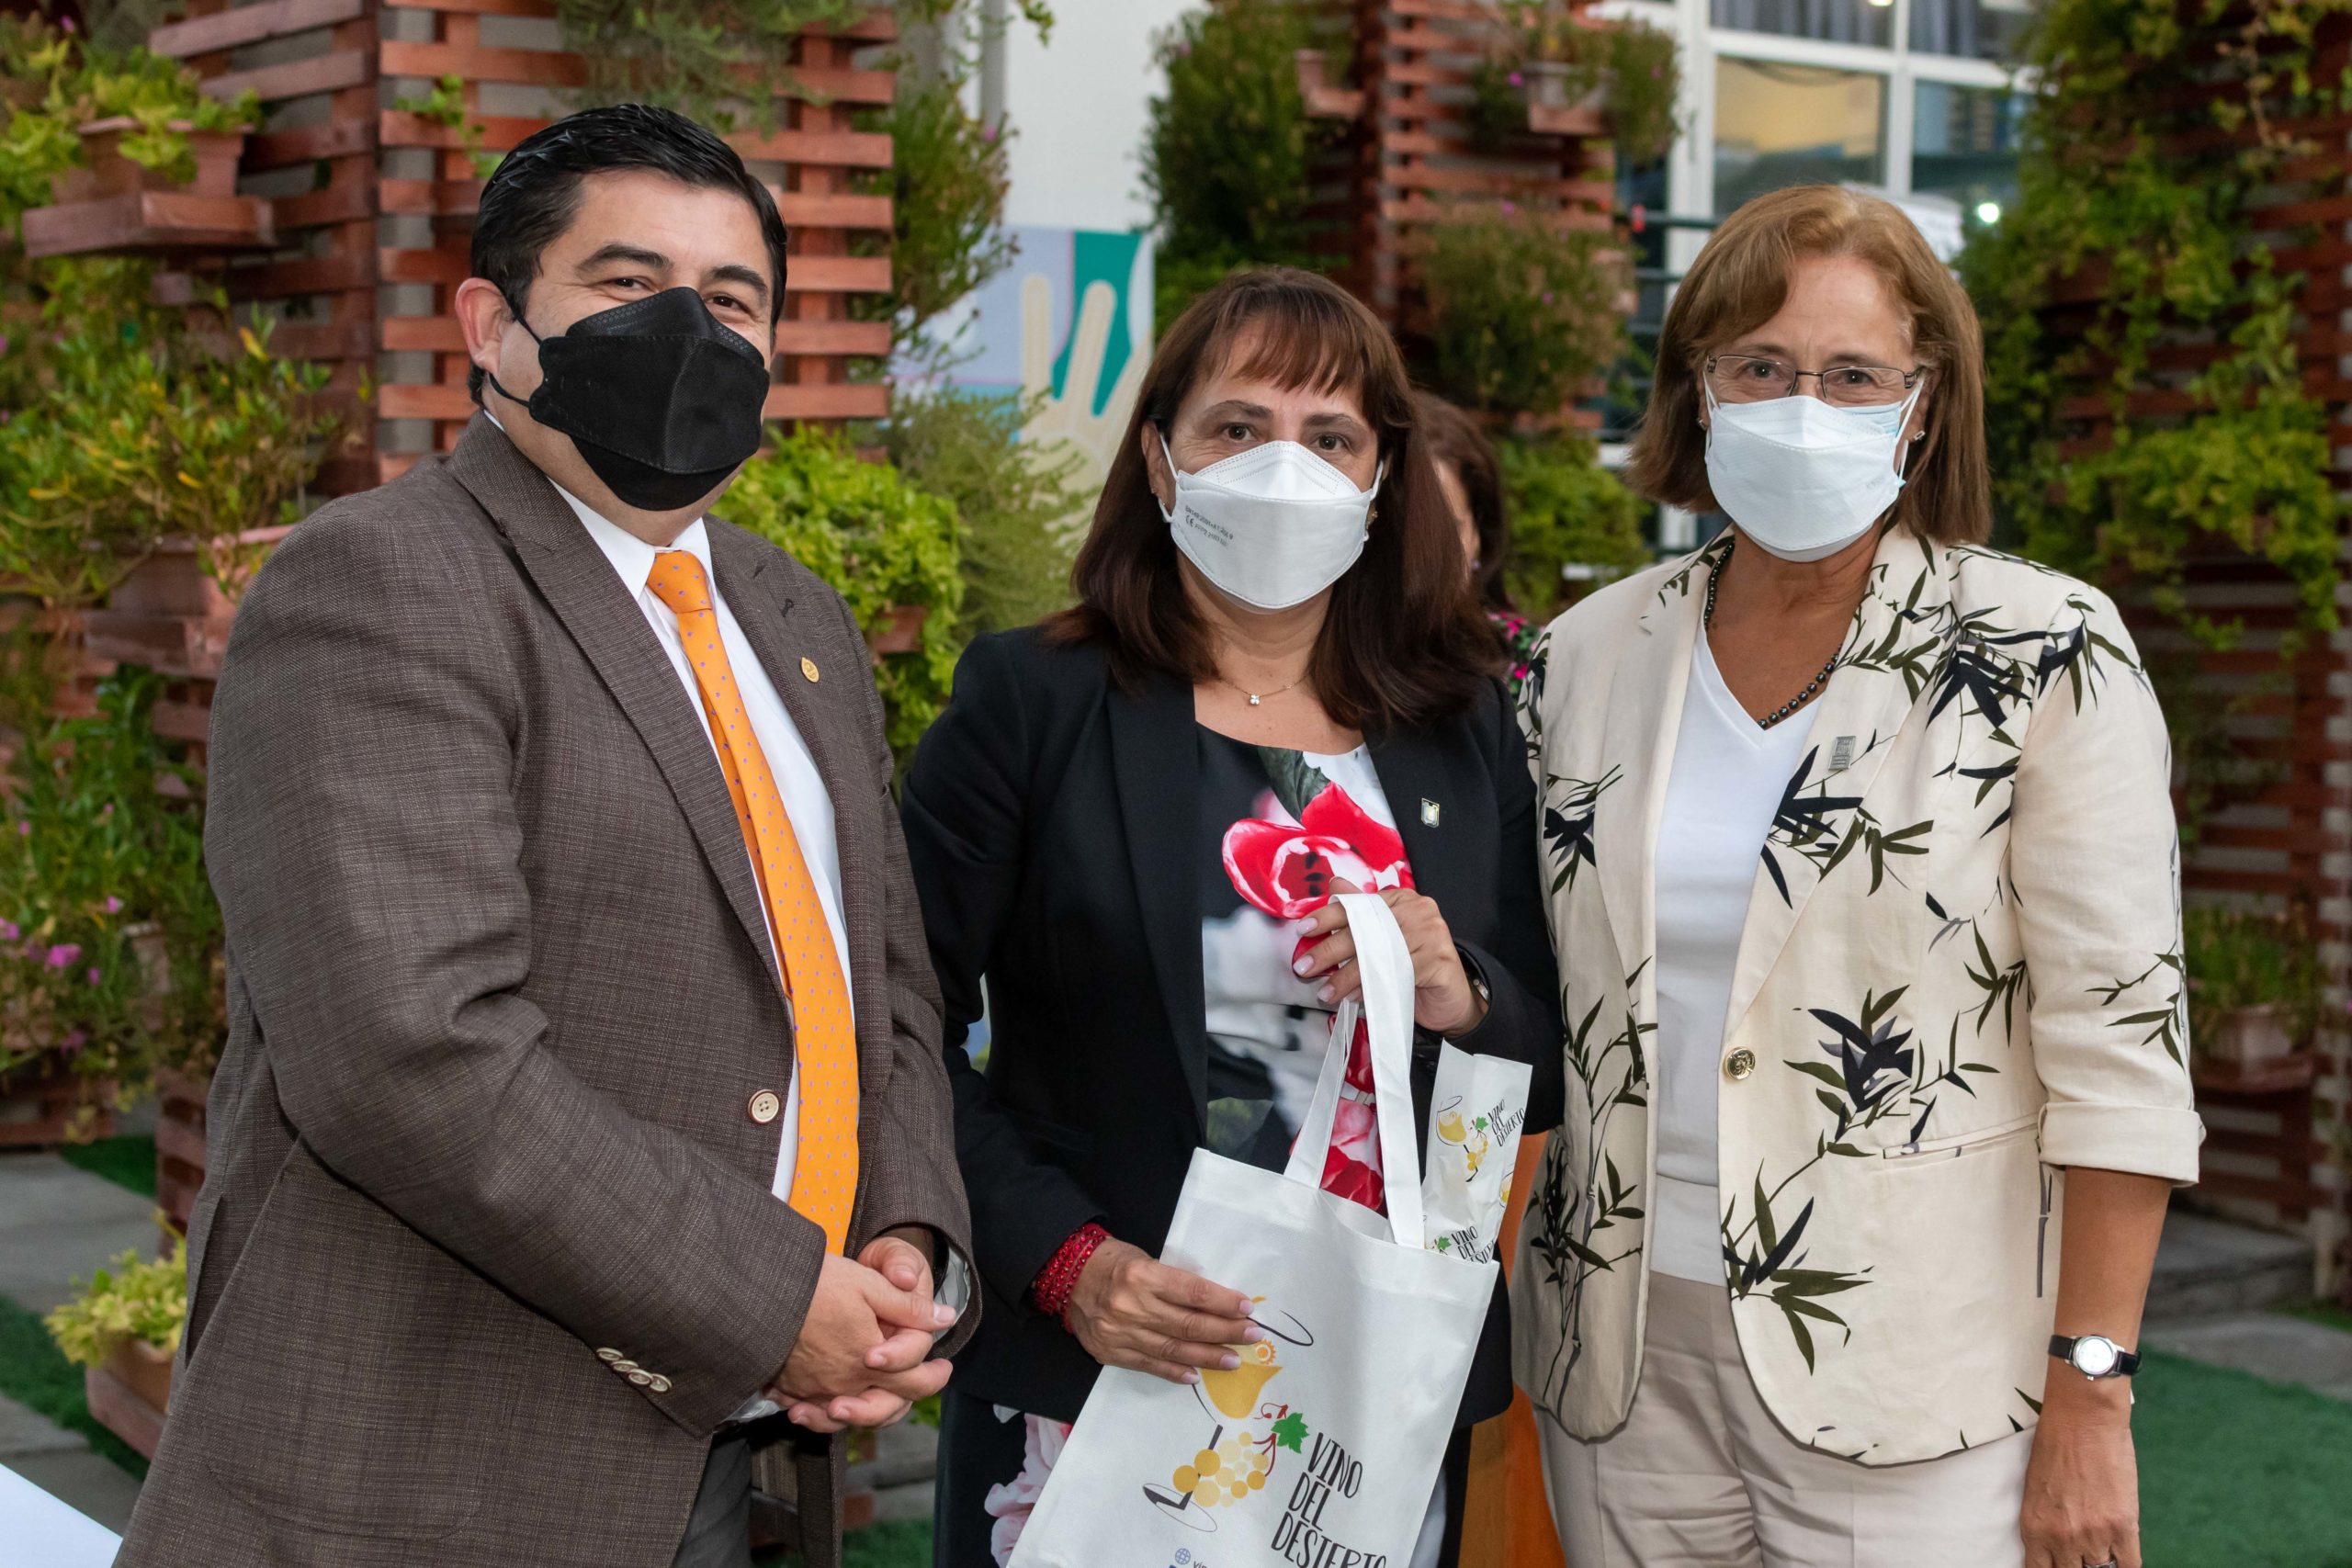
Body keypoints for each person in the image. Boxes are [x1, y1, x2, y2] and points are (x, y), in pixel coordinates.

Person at [115, 105, 974, 1568]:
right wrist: (775, 1298)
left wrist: (906, 1239)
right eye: (626, 285)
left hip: (744, 1467)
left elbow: (883, 980)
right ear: (491, 321)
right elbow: (414, 1058)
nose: (687, 333)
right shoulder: (382, 584)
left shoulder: (793, 615)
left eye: (731, 299)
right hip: (434, 1473)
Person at [1512, 182, 2202, 1568]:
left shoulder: (2045, 647)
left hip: (1920, 1377)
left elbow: (2120, 1050)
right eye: (1760, 366)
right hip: (1620, 1358)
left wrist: (2093, 1385)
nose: (1801, 405)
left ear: (1923, 401)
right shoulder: (1583, 653)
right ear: (1698, 388)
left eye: (1851, 374)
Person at [900, 267, 1563, 1568]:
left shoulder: (1459, 722)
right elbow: (889, 1019)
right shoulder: (1035, 701)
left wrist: (1461, 987)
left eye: (1330, 439)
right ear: (1160, 458)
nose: (1284, 467)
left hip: (1364, 1398)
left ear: (1380, 481)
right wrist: (1065, 1259)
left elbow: (1542, 1049)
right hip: (1100, 1368)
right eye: (1236, 426)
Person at [1414, 390, 1539, 689]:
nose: (1417, 553)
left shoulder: (1539, 663)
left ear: (1478, 533)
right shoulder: (1302, 659)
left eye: (1445, 531)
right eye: (1398, 529)